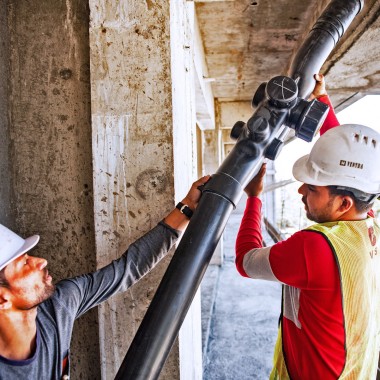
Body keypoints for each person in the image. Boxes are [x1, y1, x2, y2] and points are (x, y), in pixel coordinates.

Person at [235, 75, 380, 379]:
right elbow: (350, 160)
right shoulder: (370, 226)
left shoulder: (314, 248)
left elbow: (246, 261)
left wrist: (254, 198)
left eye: (312, 188)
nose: (301, 191)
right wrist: (323, 102)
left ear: (343, 205)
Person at [0, 175, 210, 379]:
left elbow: (126, 269)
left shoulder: (58, 308)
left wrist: (187, 207)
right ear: (2, 299)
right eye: (24, 264)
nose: (41, 261)